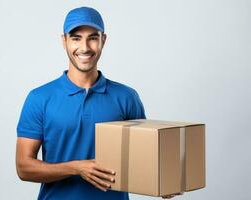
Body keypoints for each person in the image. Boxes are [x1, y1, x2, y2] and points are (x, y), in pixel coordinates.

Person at [16, 6, 179, 200]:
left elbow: (143, 157)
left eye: (93, 38)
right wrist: (76, 168)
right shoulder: (39, 98)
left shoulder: (127, 97)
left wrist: (164, 182)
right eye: (76, 38)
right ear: (64, 41)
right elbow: (24, 167)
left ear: (103, 40)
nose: (84, 47)